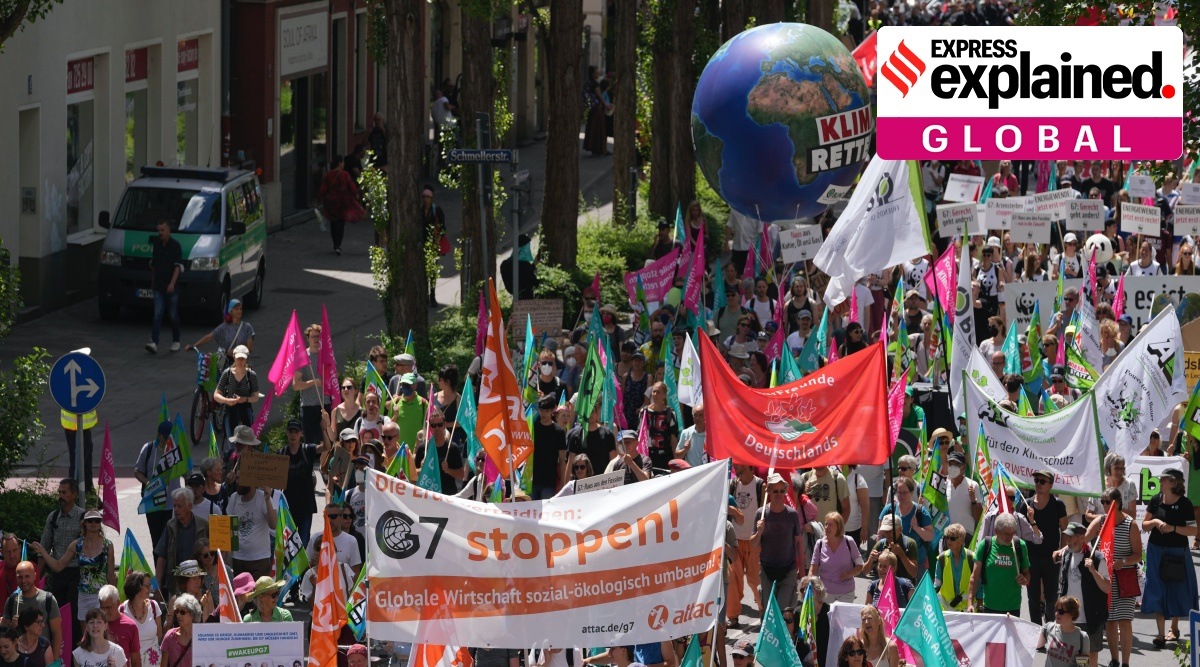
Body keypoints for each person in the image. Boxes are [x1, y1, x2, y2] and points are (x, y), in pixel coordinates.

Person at [1141, 467, 1197, 648]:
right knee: (1156, 588)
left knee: (1176, 588)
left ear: (1173, 482)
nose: (1160, 481)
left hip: (1177, 552)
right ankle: (1160, 634)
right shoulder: (1156, 499)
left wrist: (1173, 528)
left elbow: (1193, 530)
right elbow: (1144, 525)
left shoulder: (1185, 504)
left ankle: (1174, 628)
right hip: (1156, 550)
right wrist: (1156, 522)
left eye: (1163, 479)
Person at [32, 509, 113, 622]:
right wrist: (43, 551)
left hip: (101, 596)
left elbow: (110, 575)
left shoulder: (108, 545)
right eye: (90, 520)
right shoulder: (77, 544)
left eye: (97, 520)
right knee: (85, 634)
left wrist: (114, 598)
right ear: (84, 523)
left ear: (100, 523)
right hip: (83, 596)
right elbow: (58, 566)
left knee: (99, 630)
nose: (94, 523)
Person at [1056, 522, 1108, 667]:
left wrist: (1093, 571)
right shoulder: (1067, 554)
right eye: (1066, 537)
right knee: (1069, 657)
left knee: (1089, 657)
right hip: (1069, 618)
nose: (1067, 541)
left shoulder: (1097, 558)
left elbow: (1107, 588)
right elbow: (1062, 585)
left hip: (1090, 618)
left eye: (1071, 537)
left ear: (1081, 538)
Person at [36, 478, 83, 627]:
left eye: (64, 492)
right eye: (59, 492)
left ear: (74, 494)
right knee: (57, 614)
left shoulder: (82, 517)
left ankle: (74, 647)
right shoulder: (53, 517)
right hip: (57, 573)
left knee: (74, 614)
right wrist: (38, 575)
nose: (60, 496)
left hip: (76, 573)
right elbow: (44, 547)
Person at [755, 473, 804, 610]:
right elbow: (753, 544)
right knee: (769, 611)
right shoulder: (761, 514)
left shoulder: (792, 514)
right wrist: (759, 532)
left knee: (783, 611)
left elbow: (798, 542)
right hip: (767, 570)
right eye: (775, 491)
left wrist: (802, 573)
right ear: (769, 492)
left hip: (788, 569)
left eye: (782, 491)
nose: (779, 494)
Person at [1026, 469, 1068, 625]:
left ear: (1051, 485)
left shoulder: (1058, 504)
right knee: (1033, 597)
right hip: (1031, 558)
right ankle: (1036, 632)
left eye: (1042, 481)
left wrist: (1062, 551)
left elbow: (1065, 529)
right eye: (1036, 481)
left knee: (1051, 598)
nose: (1038, 484)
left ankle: (1050, 629)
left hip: (1052, 557)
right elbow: (1018, 529)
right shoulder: (1026, 504)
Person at [967, 513, 1030, 615]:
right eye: (1006, 534)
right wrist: (970, 603)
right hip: (989, 607)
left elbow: (1027, 574)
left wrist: (1024, 579)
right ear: (996, 531)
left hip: (1012, 607)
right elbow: (975, 576)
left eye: (1012, 533)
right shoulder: (986, 544)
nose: (1010, 537)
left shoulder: (1020, 545)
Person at [0, 563, 60, 662]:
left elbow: (57, 633)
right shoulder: (12, 600)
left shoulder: (48, 600)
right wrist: (12, 625)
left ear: (34, 576)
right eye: (20, 577)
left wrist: (55, 662)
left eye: (27, 576)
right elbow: (3, 632)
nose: (23, 580)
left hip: (42, 657)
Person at [153, 489, 208, 592]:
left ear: (190, 506)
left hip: (197, 582)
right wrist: (157, 584)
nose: (176, 510)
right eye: (174, 506)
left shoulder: (203, 525)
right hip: (176, 584)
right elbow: (162, 557)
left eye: (180, 506)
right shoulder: (170, 526)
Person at [185, 299, 256, 371]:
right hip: (226, 367)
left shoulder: (247, 327)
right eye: (236, 309)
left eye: (240, 309)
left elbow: (249, 349)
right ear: (230, 311)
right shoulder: (224, 327)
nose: (239, 311)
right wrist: (194, 346)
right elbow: (209, 337)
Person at [224, 484, 277, 580]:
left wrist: (268, 499)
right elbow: (228, 528)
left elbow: (273, 525)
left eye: (241, 479)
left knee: (258, 594)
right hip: (238, 559)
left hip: (259, 560)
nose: (238, 483)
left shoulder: (262, 498)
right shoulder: (234, 498)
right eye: (237, 478)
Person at [145, 219, 182, 354]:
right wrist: (153, 282)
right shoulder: (157, 245)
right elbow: (154, 266)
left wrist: (172, 283)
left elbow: (177, 267)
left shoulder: (175, 246)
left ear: (168, 230)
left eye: (162, 230)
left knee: (172, 313)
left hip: (171, 286)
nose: (160, 233)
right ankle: (154, 341)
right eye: (158, 230)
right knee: (157, 313)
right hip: (159, 286)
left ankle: (176, 340)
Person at [809, 513, 863, 604]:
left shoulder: (849, 541)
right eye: (826, 524)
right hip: (825, 593)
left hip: (846, 593)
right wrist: (809, 583)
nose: (827, 527)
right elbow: (813, 569)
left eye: (831, 525)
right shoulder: (820, 544)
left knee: (842, 618)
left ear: (839, 527)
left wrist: (849, 574)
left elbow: (860, 565)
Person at [317, 154, 361, 255]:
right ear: (340, 163)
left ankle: (335, 244)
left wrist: (318, 200)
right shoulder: (345, 175)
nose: (343, 164)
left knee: (333, 223)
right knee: (341, 224)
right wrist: (357, 195)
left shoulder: (328, 175)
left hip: (330, 202)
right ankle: (338, 245)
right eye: (342, 162)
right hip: (342, 202)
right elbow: (352, 187)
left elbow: (323, 189)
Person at [213, 346, 260, 438]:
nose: (240, 361)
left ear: (246, 359)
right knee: (232, 440)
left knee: (246, 441)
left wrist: (245, 399)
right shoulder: (227, 373)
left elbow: (256, 397)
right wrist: (227, 400)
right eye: (238, 358)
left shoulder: (251, 375)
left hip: (245, 411)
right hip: (230, 411)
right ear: (234, 357)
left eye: (243, 358)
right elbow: (216, 394)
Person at [117, 572, 162, 667]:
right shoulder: (121, 610)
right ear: (137, 588)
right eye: (148, 585)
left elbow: (160, 635)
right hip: (132, 661)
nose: (151, 588)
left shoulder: (154, 606)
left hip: (154, 661)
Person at [417, 408, 466, 493]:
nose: (437, 428)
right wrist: (422, 469)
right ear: (430, 427)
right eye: (433, 425)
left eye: (439, 424)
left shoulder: (452, 448)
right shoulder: (423, 448)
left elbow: (462, 474)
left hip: (447, 496)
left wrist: (448, 470)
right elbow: (413, 474)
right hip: (427, 496)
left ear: (444, 425)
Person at [566, 402, 617, 477]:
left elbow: (613, 462)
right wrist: (566, 486)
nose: (590, 414)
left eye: (592, 411)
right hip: (582, 482)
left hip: (602, 481)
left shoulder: (608, 434)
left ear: (597, 414)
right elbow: (570, 463)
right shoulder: (575, 436)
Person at [531, 395, 567, 499]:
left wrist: (562, 482)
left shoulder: (559, 432)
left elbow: (561, 459)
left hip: (549, 481)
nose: (543, 413)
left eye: (546, 411)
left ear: (553, 410)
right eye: (541, 410)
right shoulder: (533, 428)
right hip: (532, 479)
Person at [1037, 596, 1089, 667]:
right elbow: (1033, 644)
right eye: (1056, 610)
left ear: (1072, 614)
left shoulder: (1082, 637)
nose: (1056, 614)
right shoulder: (1049, 628)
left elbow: (1083, 666)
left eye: (1061, 612)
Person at [933, 523, 975, 611]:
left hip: (967, 610)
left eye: (952, 538)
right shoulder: (941, 558)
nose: (948, 541)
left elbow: (978, 585)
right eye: (947, 537)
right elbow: (936, 585)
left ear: (962, 539)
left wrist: (979, 603)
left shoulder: (972, 557)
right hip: (947, 610)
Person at [98, 587, 140, 667]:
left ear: (118, 603)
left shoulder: (130, 626)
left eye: (109, 607)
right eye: (102, 607)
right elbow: (85, 649)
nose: (105, 611)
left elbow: (135, 659)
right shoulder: (95, 624)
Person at [642, 383, 679, 472]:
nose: (655, 394)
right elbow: (641, 436)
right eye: (654, 392)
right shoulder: (644, 412)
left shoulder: (670, 413)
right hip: (648, 456)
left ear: (664, 395)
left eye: (658, 392)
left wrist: (676, 462)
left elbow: (673, 439)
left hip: (665, 456)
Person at [420, 187, 447, 305]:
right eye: (424, 197)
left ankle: (432, 295)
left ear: (432, 199)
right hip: (422, 244)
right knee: (423, 272)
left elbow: (443, 227)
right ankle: (425, 296)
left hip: (433, 245)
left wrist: (438, 238)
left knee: (432, 272)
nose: (425, 199)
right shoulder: (419, 211)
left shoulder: (437, 210)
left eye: (428, 197)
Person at [159, 595, 198, 667]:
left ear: (192, 614)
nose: (178, 615)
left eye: (182, 612)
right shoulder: (170, 636)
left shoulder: (200, 637)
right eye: (177, 611)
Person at [582, 67, 609, 156]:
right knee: (599, 128)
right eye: (597, 72)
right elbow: (599, 97)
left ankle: (593, 147)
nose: (598, 74)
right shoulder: (595, 84)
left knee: (592, 127)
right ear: (593, 74)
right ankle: (600, 149)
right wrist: (606, 105)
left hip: (591, 108)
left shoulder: (587, 83)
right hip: (597, 108)